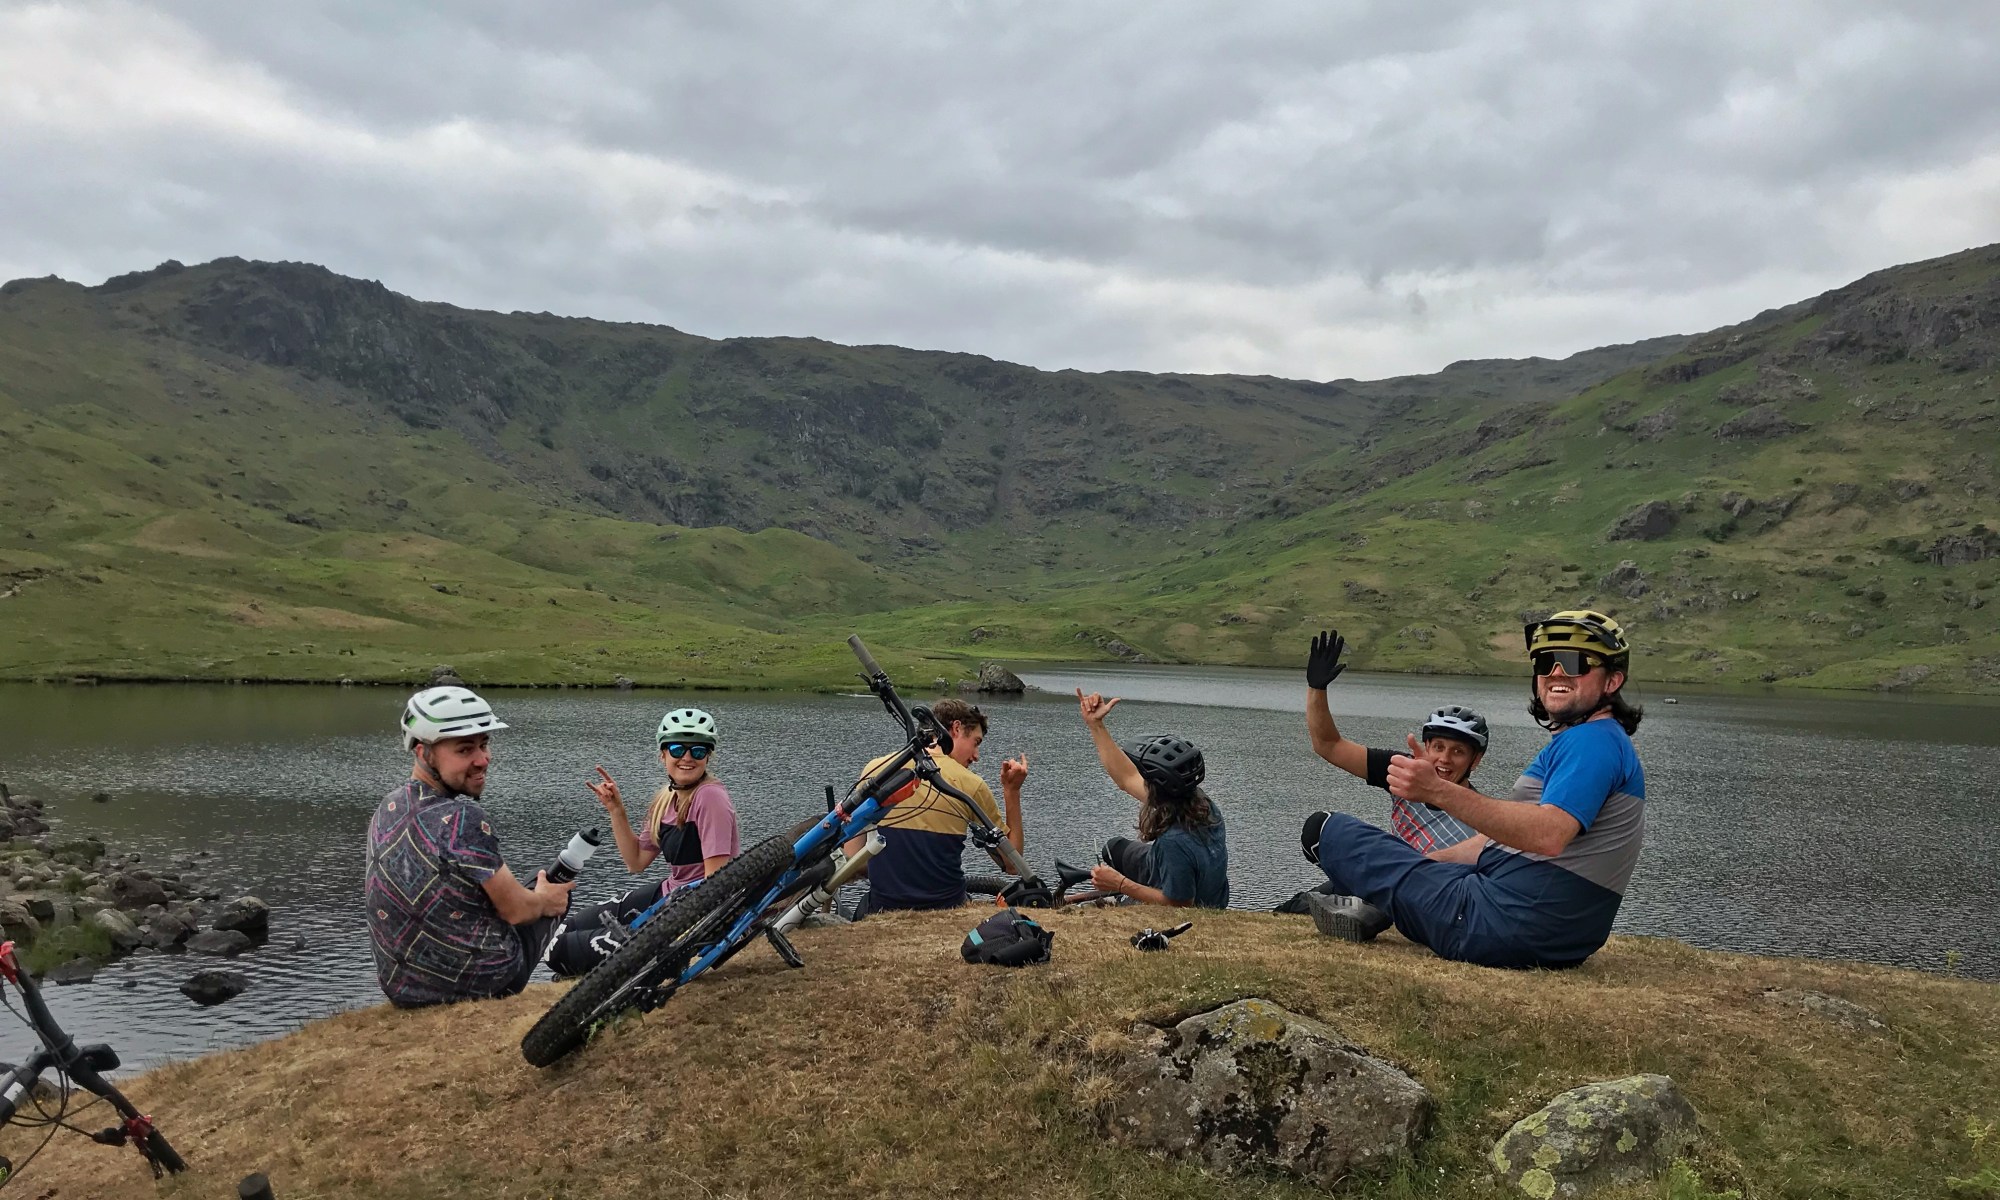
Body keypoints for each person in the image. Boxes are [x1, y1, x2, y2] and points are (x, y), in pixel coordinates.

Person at [1303, 610, 1646, 968]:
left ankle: (1367, 906)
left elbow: (1549, 834)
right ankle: (1371, 911)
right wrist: (1420, 864)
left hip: (1498, 923)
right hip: (1556, 938)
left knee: (1324, 829)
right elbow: (1329, 744)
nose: (1556, 672)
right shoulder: (1600, 742)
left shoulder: (1592, 742)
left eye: (1575, 663)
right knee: (1424, 871)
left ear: (1612, 681)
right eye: (1546, 662)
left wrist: (1436, 791)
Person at [365, 686, 574, 1007]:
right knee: (553, 887)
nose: (483, 759)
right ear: (423, 753)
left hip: (402, 991)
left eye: (484, 744)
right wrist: (548, 902)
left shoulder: (388, 805)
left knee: (524, 888)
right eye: (465, 750)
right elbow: (517, 911)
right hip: (482, 986)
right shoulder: (463, 818)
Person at [549, 707, 742, 977]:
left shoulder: (710, 798)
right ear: (663, 755)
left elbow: (716, 883)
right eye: (677, 749)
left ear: (708, 757)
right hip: (668, 893)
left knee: (560, 951)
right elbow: (636, 861)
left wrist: (672, 930)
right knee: (563, 932)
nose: (687, 758)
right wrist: (616, 810)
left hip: (688, 907)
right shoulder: (666, 798)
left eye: (697, 751)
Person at [1304, 629, 1490, 864]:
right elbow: (1328, 746)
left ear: (1475, 760)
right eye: (1438, 747)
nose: (1445, 758)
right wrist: (1316, 688)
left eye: (1458, 751)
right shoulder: (1403, 770)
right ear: (1425, 747)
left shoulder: (1482, 816)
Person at [849, 698, 1028, 916]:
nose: (976, 756)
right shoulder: (971, 784)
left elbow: (852, 859)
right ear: (956, 728)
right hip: (946, 906)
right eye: (976, 742)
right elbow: (1013, 863)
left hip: (882, 906)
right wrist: (1012, 791)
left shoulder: (875, 769)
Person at [1077, 689, 1228, 909]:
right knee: (1114, 848)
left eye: (1146, 778)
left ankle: (1126, 897)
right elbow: (1126, 777)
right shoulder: (1202, 804)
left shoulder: (1172, 843)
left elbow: (1181, 903)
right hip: (1200, 880)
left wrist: (1120, 884)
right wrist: (1095, 725)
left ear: (1157, 789)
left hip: (1196, 906)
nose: (1142, 781)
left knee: (1118, 898)